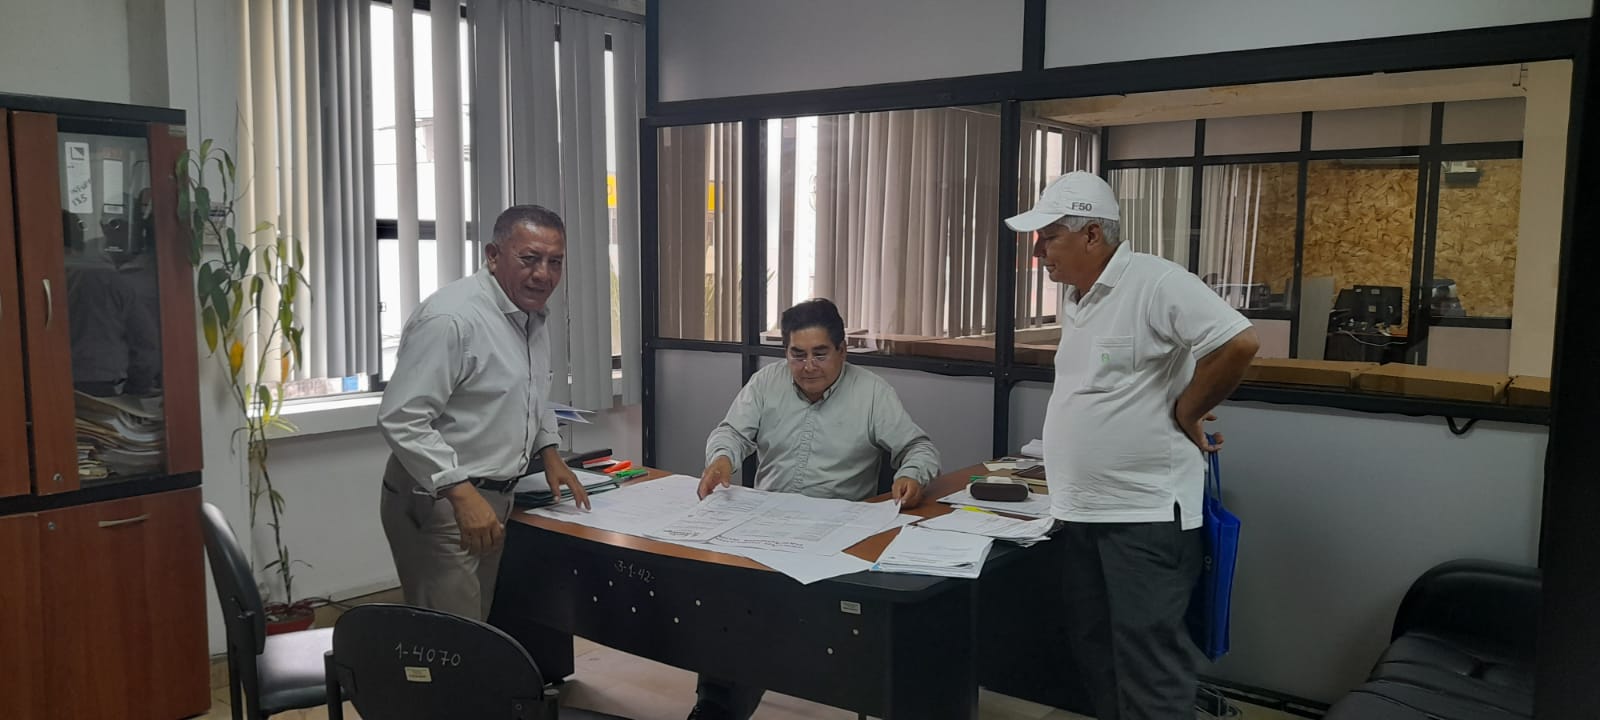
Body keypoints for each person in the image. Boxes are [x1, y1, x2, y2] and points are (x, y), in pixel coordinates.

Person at [1005, 171, 1260, 720]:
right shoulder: (1078, 298)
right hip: (1083, 513)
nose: (1039, 252)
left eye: (1049, 237)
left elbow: (1238, 342)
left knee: (1150, 668)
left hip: (1143, 516)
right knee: (1096, 654)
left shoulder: (1154, 281)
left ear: (1092, 234)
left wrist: (1188, 409)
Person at [689, 297, 940, 720]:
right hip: (766, 528)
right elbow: (731, 431)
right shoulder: (765, 384)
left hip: (838, 538)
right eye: (797, 354)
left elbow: (919, 447)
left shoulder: (872, 393)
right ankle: (715, 708)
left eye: (820, 354)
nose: (808, 367)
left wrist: (912, 474)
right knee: (728, 599)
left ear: (842, 350)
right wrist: (722, 458)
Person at [378, 204, 591, 622]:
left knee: (477, 626)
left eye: (555, 262)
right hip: (441, 498)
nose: (544, 274)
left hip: (493, 497)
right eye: (529, 258)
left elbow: (528, 391)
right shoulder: (452, 319)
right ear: (493, 256)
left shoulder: (529, 315)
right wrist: (461, 493)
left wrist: (549, 451)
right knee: (451, 639)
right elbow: (402, 417)